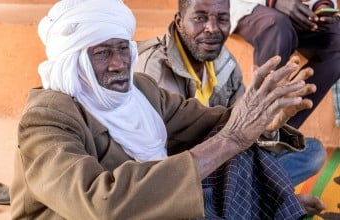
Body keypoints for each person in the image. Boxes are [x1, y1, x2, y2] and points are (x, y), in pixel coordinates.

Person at [10, 0, 318, 219]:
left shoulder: (139, 90)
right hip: (103, 213)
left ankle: (272, 203)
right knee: (225, 152)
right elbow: (102, 204)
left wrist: (265, 120)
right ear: (72, 62)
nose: (118, 64)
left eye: (121, 49)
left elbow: (214, 123)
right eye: (102, 53)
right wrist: (232, 138)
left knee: (250, 152)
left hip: (148, 198)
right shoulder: (46, 119)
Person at [134, 0, 326, 214]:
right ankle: (269, 202)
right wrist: (232, 141)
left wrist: (267, 126)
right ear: (179, 21)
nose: (213, 28)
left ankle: (254, 200)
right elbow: (158, 166)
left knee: (313, 152)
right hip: (186, 175)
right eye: (200, 18)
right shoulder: (152, 70)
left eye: (222, 19)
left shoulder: (223, 61)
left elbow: (244, 131)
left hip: (227, 164)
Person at [230, 0, 340, 128]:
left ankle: (282, 129)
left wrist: (321, 5)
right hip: (247, 6)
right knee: (277, 26)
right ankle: (254, 124)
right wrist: (274, 2)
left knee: (337, 35)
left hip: (295, 9)